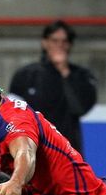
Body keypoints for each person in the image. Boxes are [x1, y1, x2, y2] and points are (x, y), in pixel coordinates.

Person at [9, 20, 96, 154]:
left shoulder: (81, 76)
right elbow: (13, 115)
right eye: (54, 40)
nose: (59, 45)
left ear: (70, 45)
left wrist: (64, 72)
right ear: (44, 42)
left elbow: (80, 107)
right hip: (34, 149)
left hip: (68, 151)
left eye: (64, 41)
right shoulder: (25, 75)